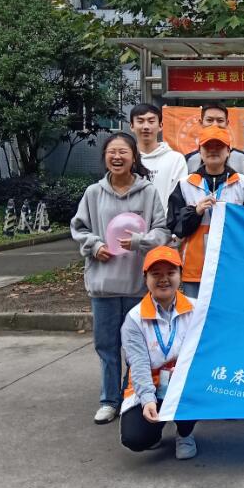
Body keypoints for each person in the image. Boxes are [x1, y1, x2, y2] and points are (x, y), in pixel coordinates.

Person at [71, 132, 170, 425]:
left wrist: (141, 241)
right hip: (104, 285)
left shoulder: (148, 192)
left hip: (138, 285)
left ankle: (135, 395)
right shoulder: (93, 193)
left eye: (123, 152)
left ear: (133, 157)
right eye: (112, 152)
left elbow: (162, 231)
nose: (117, 157)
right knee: (107, 346)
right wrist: (94, 245)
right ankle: (109, 400)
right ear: (105, 157)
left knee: (140, 346)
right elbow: (79, 228)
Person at [119, 246, 199, 460]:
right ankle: (154, 430)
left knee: (193, 385)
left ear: (180, 275)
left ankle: (185, 433)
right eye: (156, 274)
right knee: (136, 439)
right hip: (151, 382)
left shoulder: (197, 310)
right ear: (145, 278)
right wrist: (147, 400)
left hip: (183, 382)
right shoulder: (134, 318)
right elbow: (138, 363)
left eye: (170, 273)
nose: (164, 279)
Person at [168, 126, 244, 298]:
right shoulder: (185, 184)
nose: (213, 150)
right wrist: (195, 212)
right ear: (200, 151)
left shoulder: (243, 184)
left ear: (228, 151)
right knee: (194, 313)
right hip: (195, 268)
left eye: (218, 146)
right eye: (207, 146)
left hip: (232, 265)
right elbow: (175, 226)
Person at [184, 102, 244, 200]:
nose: (215, 125)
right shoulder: (189, 160)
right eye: (209, 120)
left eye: (220, 120)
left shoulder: (242, 159)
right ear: (201, 123)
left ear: (227, 123)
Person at [129, 103, 188, 213]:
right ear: (132, 126)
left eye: (151, 121)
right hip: (130, 222)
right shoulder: (126, 159)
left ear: (160, 125)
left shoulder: (175, 159)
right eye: (140, 121)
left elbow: (178, 199)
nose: (146, 127)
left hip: (165, 223)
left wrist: (162, 221)